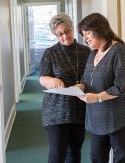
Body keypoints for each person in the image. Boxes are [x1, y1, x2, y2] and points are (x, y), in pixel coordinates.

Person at [75, 13, 125, 163]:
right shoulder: (94, 53)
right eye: (83, 34)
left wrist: (96, 97)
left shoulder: (119, 51)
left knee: (120, 159)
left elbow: (123, 87)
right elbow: (86, 79)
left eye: (88, 33)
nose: (85, 38)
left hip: (119, 117)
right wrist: (80, 86)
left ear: (100, 29)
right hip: (97, 118)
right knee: (96, 157)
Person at [39, 13, 91, 163]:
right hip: (55, 111)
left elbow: (90, 76)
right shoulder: (50, 53)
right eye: (59, 34)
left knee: (74, 152)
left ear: (72, 28)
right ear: (55, 35)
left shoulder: (85, 52)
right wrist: (51, 80)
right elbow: (42, 78)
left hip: (78, 109)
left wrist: (82, 84)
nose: (65, 36)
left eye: (67, 31)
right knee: (57, 154)